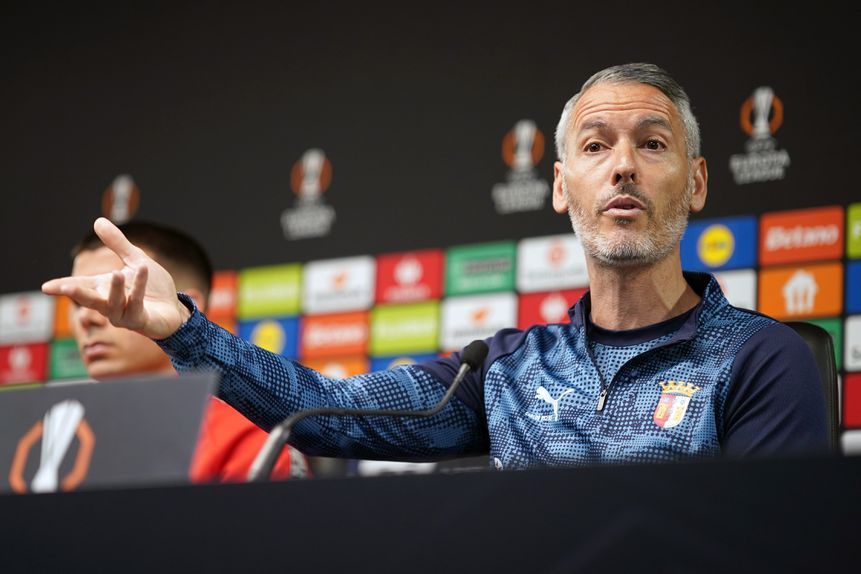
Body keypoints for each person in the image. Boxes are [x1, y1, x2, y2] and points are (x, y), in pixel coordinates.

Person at [44, 63, 828, 471]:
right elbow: (322, 413)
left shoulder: (761, 359)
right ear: (560, 187)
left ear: (693, 181)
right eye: (594, 146)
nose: (621, 167)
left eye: (651, 144)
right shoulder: (505, 371)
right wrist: (182, 328)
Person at [67, 220, 309, 481]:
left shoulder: (252, 431)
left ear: (186, 306)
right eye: (78, 302)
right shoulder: (59, 428)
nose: (86, 318)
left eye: (114, 293)